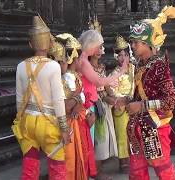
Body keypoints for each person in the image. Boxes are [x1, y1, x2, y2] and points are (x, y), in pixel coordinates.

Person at [126, 5, 175, 180]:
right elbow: (139, 96)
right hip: (136, 127)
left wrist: (141, 105)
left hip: (154, 127)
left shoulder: (159, 66)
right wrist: (125, 100)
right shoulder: (140, 66)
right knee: (136, 172)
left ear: (148, 44)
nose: (133, 46)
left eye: (137, 42)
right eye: (133, 42)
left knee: (164, 170)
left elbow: (171, 100)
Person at [11, 16, 70, 179]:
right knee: (57, 168)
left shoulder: (21, 66)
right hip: (48, 124)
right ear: (50, 44)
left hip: (28, 121)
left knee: (29, 167)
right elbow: (58, 100)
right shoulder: (54, 66)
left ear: (31, 44)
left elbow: (19, 100)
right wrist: (64, 129)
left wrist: (21, 124)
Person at [78, 19, 128, 180]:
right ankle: (90, 173)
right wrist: (120, 72)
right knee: (91, 142)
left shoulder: (83, 60)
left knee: (93, 141)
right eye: (98, 46)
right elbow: (99, 82)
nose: (101, 49)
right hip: (87, 105)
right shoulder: (83, 61)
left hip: (92, 104)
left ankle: (92, 173)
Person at [48, 33, 98, 180]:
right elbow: (69, 106)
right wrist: (79, 102)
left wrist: (86, 110)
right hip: (71, 123)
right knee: (71, 159)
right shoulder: (67, 79)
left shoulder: (74, 76)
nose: (81, 61)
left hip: (78, 122)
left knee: (79, 156)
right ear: (73, 58)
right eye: (79, 57)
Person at [110, 35, 135, 173]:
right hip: (120, 107)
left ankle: (134, 159)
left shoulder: (133, 69)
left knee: (134, 133)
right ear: (116, 57)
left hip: (133, 105)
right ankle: (123, 162)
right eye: (120, 55)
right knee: (122, 134)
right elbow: (113, 92)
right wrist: (121, 101)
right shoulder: (114, 73)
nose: (123, 58)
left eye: (125, 54)